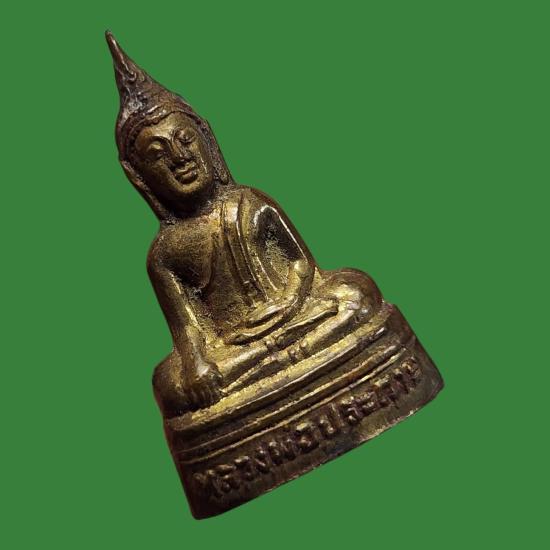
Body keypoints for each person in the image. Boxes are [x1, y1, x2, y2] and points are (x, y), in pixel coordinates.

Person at [107, 32, 382, 417]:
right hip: (236, 349)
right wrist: (196, 365)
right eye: (157, 154)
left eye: (185, 140)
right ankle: (277, 379)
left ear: (207, 140)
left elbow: (302, 265)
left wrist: (290, 301)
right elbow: (188, 331)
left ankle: (279, 374)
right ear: (140, 177)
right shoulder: (165, 255)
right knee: (169, 386)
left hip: (295, 314)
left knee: (356, 292)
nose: (179, 158)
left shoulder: (249, 201)